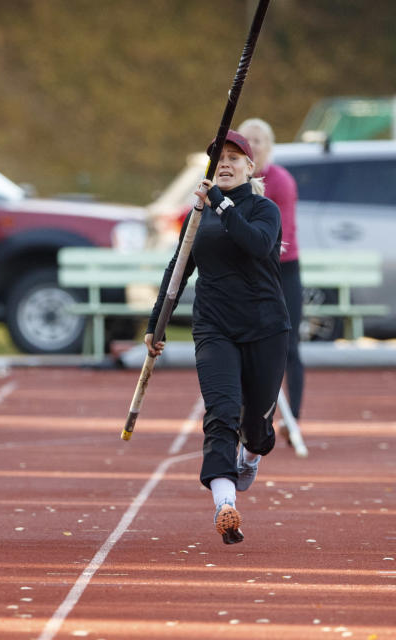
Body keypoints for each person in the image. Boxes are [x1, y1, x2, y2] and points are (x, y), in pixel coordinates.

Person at [145, 130, 290, 545]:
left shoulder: (264, 210)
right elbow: (177, 271)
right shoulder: (197, 217)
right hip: (215, 328)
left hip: (265, 328)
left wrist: (223, 205)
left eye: (233, 157)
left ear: (250, 166)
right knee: (221, 413)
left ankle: (251, 453)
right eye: (217, 158)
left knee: (257, 428)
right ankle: (225, 504)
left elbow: (257, 245)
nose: (224, 164)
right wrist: (156, 324)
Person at [238, 118, 304, 436]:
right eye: (247, 140)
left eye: (259, 140)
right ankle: (239, 417)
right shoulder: (235, 182)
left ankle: (294, 421)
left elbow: (282, 235)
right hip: (245, 272)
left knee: (288, 345)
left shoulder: (280, 182)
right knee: (241, 343)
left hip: (281, 270)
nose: (253, 145)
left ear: (269, 147)